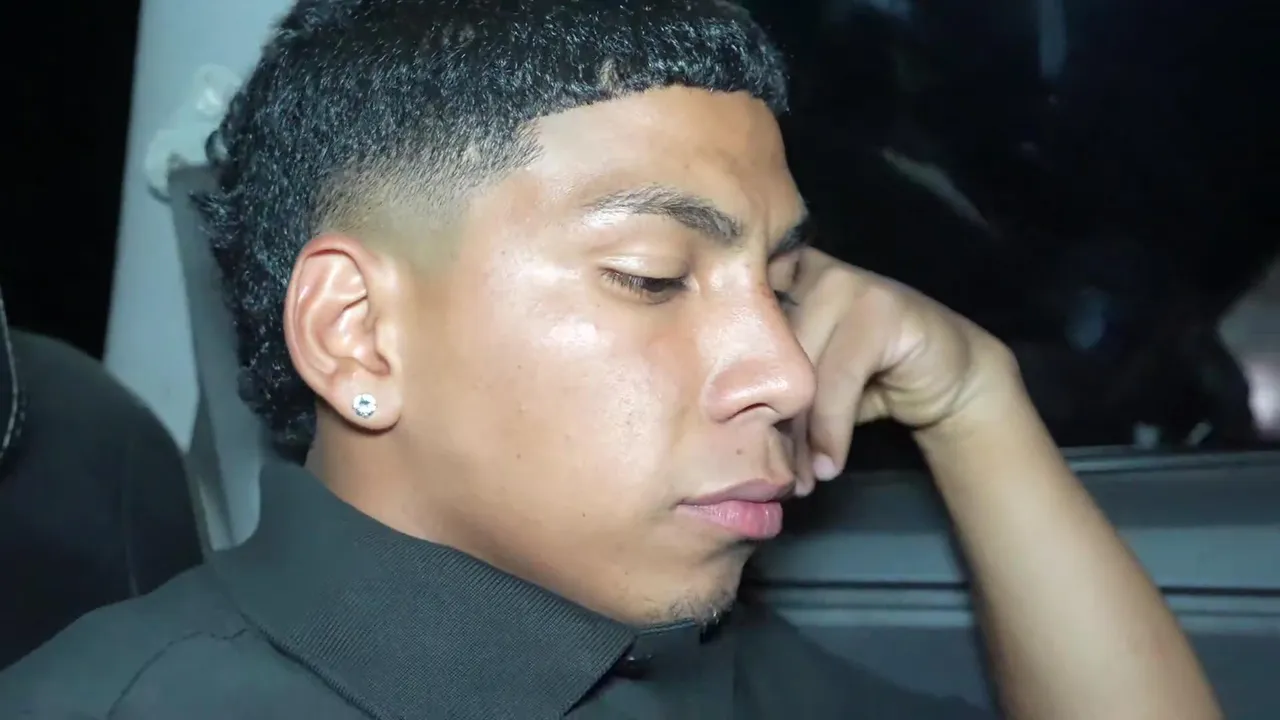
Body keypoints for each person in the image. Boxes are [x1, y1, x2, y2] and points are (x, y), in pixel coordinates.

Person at [0, 1, 1221, 718]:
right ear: (355, 332)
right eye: (651, 274)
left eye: (778, 288)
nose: (789, 376)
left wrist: (971, 399)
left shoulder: (692, 656)